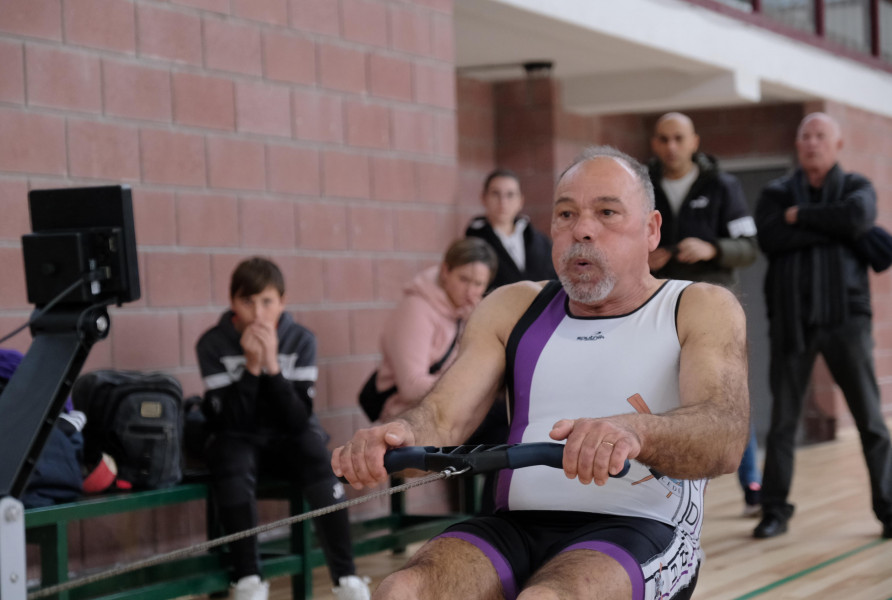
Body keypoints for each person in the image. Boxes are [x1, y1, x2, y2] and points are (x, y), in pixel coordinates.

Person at [333, 146, 750, 600]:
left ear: (651, 230)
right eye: (566, 215)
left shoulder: (699, 306)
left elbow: (724, 436)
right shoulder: (511, 307)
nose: (583, 230)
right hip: (515, 526)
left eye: (607, 212)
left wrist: (635, 433)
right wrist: (395, 435)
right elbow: (441, 417)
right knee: (401, 591)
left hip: (643, 527)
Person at [196, 257, 371, 600]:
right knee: (229, 458)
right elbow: (231, 421)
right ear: (233, 303)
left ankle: (347, 578)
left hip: (288, 437)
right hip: (240, 438)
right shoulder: (212, 343)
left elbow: (297, 418)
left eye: (267, 302)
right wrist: (251, 367)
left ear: (282, 302)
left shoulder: (301, 339)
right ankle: (248, 579)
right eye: (248, 302)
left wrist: (273, 366)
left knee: (315, 453)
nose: (258, 314)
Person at [753, 112, 892, 540]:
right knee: (782, 422)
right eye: (806, 136)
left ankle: (888, 511)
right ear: (798, 145)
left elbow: (857, 217)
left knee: (870, 420)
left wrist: (804, 218)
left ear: (838, 145)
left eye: (820, 136)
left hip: (846, 319)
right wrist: (835, 226)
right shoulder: (777, 193)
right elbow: (772, 237)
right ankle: (774, 510)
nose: (812, 142)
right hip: (792, 320)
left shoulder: (857, 187)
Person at [647, 111, 763, 516]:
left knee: (726, 397)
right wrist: (648, 254)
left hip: (712, 309)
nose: (671, 146)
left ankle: (752, 482)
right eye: (663, 139)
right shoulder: (642, 186)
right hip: (659, 306)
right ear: (654, 144)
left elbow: (749, 246)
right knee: (667, 399)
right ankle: (667, 495)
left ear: (695, 141)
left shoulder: (722, 185)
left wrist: (713, 248)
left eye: (679, 138)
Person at [377, 237, 497, 423]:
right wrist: (468, 388)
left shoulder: (466, 313)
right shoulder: (416, 309)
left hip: (447, 416)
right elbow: (411, 386)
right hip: (409, 420)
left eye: (478, 284)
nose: (470, 291)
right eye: (464, 279)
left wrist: (476, 327)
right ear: (445, 271)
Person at [465, 168, 557, 292]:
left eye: (510, 195)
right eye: (495, 193)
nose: (503, 202)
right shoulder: (472, 243)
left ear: (520, 201)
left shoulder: (540, 241)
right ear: (483, 198)